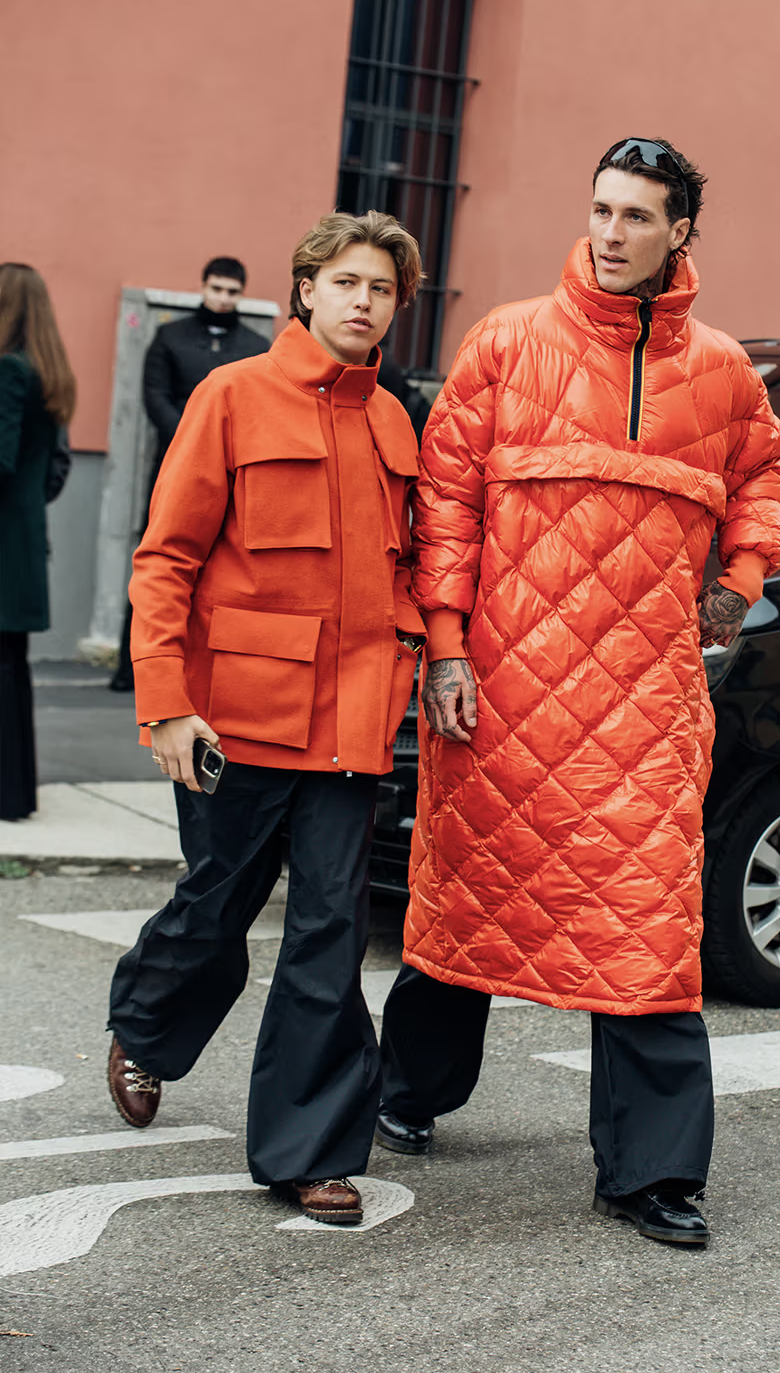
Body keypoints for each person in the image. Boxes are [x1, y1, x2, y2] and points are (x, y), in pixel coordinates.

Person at [376, 138, 780, 1248]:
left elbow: (764, 469)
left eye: (637, 217)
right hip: (500, 689)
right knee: (467, 896)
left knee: (648, 932)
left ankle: (651, 1173)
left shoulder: (724, 369)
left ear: (680, 233)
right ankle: (406, 1090)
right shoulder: (506, 340)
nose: (610, 233)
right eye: (600, 210)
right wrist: (448, 647)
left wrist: (741, 577)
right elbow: (447, 501)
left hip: (647, 703)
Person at [106, 212, 426, 1225]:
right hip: (236, 719)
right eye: (346, 281)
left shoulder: (394, 420)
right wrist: (165, 703)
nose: (362, 300)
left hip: (352, 726)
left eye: (381, 287)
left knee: (330, 936)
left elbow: (407, 570)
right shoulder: (231, 395)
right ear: (303, 291)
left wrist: (419, 650)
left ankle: (306, 1149)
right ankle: (147, 1028)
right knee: (215, 909)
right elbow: (165, 560)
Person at [110, 257, 269, 691]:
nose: (223, 298)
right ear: (203, 287)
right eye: (217, 289)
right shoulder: (169, 338)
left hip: (237, 471)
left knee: (225, 560)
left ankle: (208, 664)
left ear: (242, 294)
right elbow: (154, 397)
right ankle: (133, 665)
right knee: (160, 553)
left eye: (232, 291)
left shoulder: (257, 346)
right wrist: (195, 439)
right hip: (175, 464)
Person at [0, 263, 76, 820]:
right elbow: (53, 471)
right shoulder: (47, 372)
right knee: (11, 672)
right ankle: (14, 794)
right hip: (21, 543)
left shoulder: (8, 370)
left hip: (5, 545)